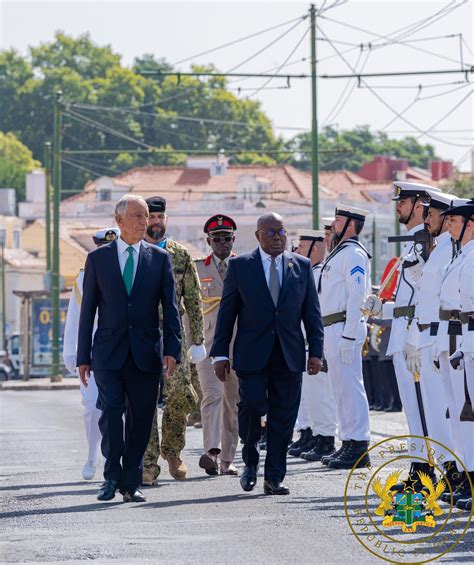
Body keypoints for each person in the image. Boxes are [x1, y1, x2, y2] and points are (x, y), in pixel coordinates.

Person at [77, 194, 181, 503]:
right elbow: (88, 311)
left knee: (142, 418)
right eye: (137, 216)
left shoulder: (160, 259)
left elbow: (171, 308)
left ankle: (131, 480)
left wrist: (172, 349)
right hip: (108, 352)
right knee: (111, 413)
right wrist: (83, 356)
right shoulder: (98, 259)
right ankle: (111, 477)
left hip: (146, 352)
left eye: (146, 216)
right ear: (119, 220)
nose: (144, 222)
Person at [210, 212, 324, 495]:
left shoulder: (301, 265)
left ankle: (274, 476)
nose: (277, 237)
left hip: (289, 354)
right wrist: (220, 354)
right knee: (250, 408)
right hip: (252, 354)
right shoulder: (241, 267)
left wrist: (316, 352)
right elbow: (227, 314)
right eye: (271, 232)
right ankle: (250, 460)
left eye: (282, 232)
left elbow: (312, 314)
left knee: (284, 417)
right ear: (258, 236)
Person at [142, 196, 205, 483]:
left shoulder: (179, 254)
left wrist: (199, 340)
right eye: (151, 217)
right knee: (142, 398)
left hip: (172, 334)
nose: (156, 222)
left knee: (182, 395)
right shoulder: (133, 252)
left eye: (160, 217)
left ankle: (172, 450)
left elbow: (194, 299)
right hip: (140, 334)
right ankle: (148, 463)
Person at [405, 190, 460, 488]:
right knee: (437, 415)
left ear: (448, 217)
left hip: (440, 339)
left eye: (431, 214)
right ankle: (449, 471)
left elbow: (443, 303)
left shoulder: (453, 250)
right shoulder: (441, 250)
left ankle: (456, 473)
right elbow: (425, 299)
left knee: (445, 413)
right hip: (428, 338)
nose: (426, 220)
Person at [382, 182, 436, 483]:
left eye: (402, 202)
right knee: (412, 410)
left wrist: (415, 338)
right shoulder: (412, 243)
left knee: (424, 408)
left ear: (419, 204)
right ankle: (420, 466)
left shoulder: (428, 243)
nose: (397, 207)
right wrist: (382, 309)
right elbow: (406, 302)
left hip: (415, 337)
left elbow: (428, 297)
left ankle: (429, 470)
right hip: (402, 335)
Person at [63, 227, 119, 481]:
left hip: (122, 349)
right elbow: (75, 318)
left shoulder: (130, 272)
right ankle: (91, 454)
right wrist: (72, 353)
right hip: (94, 352)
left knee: (122, 408)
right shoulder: (85, 276)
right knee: (91, 407)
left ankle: (116, 458)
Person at [318, 204, 372, 469]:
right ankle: (348, 441)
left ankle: (359, 444)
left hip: (344, 327)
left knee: (350, 386)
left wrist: (350, 336)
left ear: (351, 224)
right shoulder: (339, 254)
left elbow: (357, 296)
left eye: (338, 220)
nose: (334, 225)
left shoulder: (353, 254)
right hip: (332, 327)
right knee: (340, 389)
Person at [194, 214, 240, 476]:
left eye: (226, 238)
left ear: (234, 239)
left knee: (231, 401)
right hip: (207, 343)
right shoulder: (198, 268)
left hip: (236, 342)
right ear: (209, 241)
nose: (222, 243)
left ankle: (227, 459)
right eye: (216, 238)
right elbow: (189, 308)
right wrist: (191, 342)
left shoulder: (243, 265)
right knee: (212, 395)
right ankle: (211, 451)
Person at [436, 198, 474, 511]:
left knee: (469, 412)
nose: (449, 226)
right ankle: (466, 474)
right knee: (460, 412)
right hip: (458, 335)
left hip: (468, 337)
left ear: (470, 224)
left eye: (454, 221)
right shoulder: (462, 256)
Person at [293, 229, 337, 463]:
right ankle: (315, 435)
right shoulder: (310, 273)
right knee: (310, 394)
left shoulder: (321, 273)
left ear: (315, 249)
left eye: (302, 247)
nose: (298, 251)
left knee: (321, 393)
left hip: (317, 342)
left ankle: (326, 439)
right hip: (306, 342)